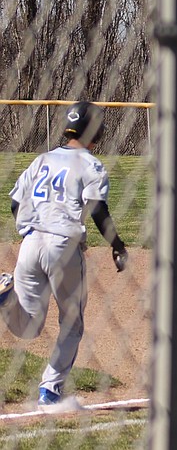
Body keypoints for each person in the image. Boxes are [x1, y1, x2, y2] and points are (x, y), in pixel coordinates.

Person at [0, 101, 128, 413]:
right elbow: (97, 208)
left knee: (29, 326)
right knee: (72, 325)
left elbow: (16, 202)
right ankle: (50, 392)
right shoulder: (90, 164)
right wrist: (117, 244)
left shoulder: (42, 159)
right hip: (64, 245)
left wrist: (29, 226)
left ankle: (7, 297)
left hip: (30, 244)